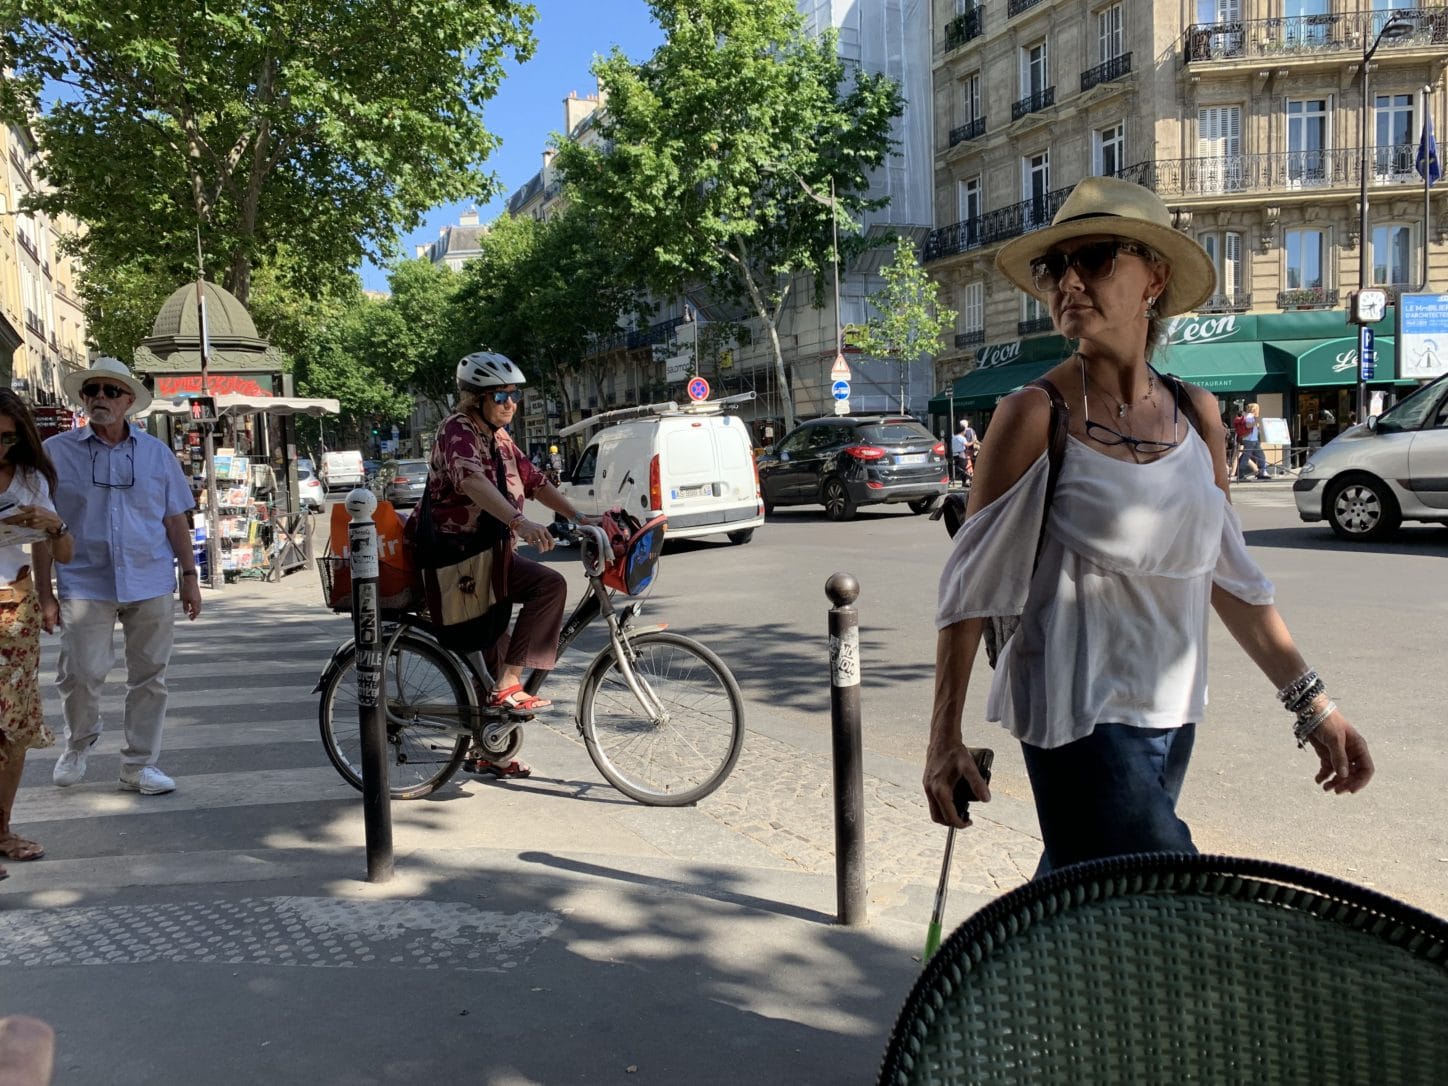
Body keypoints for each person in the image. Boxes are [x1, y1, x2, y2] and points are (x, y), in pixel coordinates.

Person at [923, 177, 1373, 875]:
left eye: (1097, 257)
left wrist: (1314, 707)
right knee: (1168, 890)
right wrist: (941, 738)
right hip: (1075, 710)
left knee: (1099, 902)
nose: (1069, 280)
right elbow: (968, 592)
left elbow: (1230, 578)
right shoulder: (1032, 415)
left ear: (1153, 277)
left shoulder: (1199, 417)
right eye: (1054, 267)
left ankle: (1010, 978)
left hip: (1173, 711)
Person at [33, 357, 201, 796]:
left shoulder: (156, 454)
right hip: (84, 582)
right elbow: (43, 527)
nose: (101, 399)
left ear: (130, 400)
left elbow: (175, 518)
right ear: (84, 399)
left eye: (111, 391)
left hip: (149, 578)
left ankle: (139, 765)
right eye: (93, 391)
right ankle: (80, 742)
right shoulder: (56, 452)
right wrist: (44, 595)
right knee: (81, 673)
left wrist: (189, 575)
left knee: (150, 676)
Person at [427, 351, 597, 778]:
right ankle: (508, 685)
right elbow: (471, 481)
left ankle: (489, 750)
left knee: (495, 647)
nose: (510, 404)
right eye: (501, 396)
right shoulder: (457, 432)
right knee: (549, 587)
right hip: (460, 560)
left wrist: (580, 517)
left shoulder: (500, 438)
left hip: (490, 556)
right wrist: (519, 522)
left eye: (514, 396)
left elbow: (536, 483)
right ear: (476, 399)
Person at [0, 389, 74, 877]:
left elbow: (63, 551)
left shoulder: (27, 477)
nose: (0, 447)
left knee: (15, 726)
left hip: (14, 610)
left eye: (8, 438)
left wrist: (54, 524)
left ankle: (2, 828)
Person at [1235, 401, 1270, 481]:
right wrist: (1256, 422)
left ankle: (1261, 473)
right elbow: (1248, 425)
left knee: (1260, 456)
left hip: (1254, 440)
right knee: (1246, 457)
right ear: (1254, 409)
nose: (1258, 410)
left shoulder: (1250, 416)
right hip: (1249, 440)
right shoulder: (1249, 416)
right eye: (1257, 409)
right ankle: (1240, 475)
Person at [951, 418, 977, 483]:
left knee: (962, 468)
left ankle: (965, 480)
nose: (965, 432)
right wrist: (973, 442)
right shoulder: (961, 437)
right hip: (961, 455)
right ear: (962, 431)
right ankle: (967, 480)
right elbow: (967, 444)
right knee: (966, 467)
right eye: (964, 431)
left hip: (954, 455)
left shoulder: (953, 437)